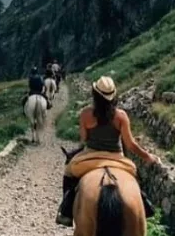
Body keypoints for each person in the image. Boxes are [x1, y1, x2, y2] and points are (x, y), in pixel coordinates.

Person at [56, 76, 159, 227]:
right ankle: (144, 205)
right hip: (117, 158)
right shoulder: (121, 116)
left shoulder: (85, 114)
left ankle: (66, 211)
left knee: (69, 173)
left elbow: (84, 139)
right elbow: (130, 144)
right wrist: (148, 156)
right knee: (133, 177)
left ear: (95, 94)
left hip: (90, 156)